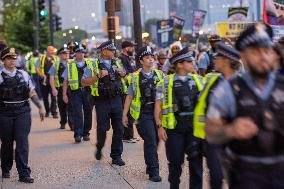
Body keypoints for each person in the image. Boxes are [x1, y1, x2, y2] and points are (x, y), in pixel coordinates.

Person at [205, 24, 284, 189]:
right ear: (243, 56)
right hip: (246, 176)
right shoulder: (228, 90)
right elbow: (210, 132)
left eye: (267, 50)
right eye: (255, 51)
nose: (263, 56)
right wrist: (230, 130)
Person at [193, 43, 241, 189]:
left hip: (233, 139)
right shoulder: (211, 80)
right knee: (216, 175)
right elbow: (201, 105)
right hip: (212, 138)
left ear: (226, 61)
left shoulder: (241, 84)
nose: (214, 60)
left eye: (218, 57)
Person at [155, 47, 204, 189]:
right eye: (190, 61)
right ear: (180, 64)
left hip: (194, 129)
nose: (193, 64)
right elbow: (158, 106)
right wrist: (159, 126)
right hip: (175, 129)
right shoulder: (165, 83)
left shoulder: (199, 80)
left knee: (196, 163)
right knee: (175, 163)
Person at [0, 48, 44, 183]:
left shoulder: (24, 74)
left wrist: (40, 106)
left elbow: (31, 92)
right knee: (6, 143)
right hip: (4, 112)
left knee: (22, 142)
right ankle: (6, 168)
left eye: (14, 58)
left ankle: (23, 173)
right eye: (9, 58)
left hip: (22, 112)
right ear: (3, 60)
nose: (12, 61)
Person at [81, 40, 126, 166]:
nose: (114, 51)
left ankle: (116, 156)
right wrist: (98, 76)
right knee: (102, 129)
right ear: (104, 51)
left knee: (119, 128)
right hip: (102, 101)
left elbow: (125, 75)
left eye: (114, 50)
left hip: (117, 99)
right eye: (111, 50)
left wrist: (122, 73)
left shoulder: (117, 62)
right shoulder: (93, 64)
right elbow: (83, 82)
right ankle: (99, 147)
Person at [123, 46, 163, 182]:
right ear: (141, 61)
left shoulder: (160, 75)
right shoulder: (134, 78)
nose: (150, 59)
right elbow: (129, 96)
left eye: (152, 57)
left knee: (155, 141)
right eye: (147, 57)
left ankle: (150, 163)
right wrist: (124, 114)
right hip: (143, 114)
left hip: (158, 114)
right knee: (151, 140)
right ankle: (153, 171)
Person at [62, 45, 93, 143]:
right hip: (76, 92)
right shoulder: (70, 65)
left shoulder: (90, 63)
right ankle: (78, 134)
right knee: (78, 113)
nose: (81, 54)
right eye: (79, 52)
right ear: (75, 53)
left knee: (88, 112)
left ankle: (86, 133)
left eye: (82, 52)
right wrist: (64, 94)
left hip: (88, 91)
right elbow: (65, 81)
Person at [49, 47, 73, 130]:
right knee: (62, 107)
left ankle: (72, 124)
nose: (66, 55)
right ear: (60, 55)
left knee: (71, 106)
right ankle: (63, 122)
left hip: (71, 88)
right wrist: (53, 89)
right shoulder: (55, 64)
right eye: (64, 53)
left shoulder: (72, 63)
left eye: (67, 53)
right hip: (60, 88)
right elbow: (51, 77)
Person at [119, 41, 137, 143]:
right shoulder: (122, 59)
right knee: (127, 112)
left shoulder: (128, 58)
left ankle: (130, 135)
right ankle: (127, 136)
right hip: (125, 89)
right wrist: (136, 73)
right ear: (126, 48)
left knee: (130, 113)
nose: (133, 49)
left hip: (130, 87)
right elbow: (124, 74)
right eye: (131, 47)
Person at [36, 46, 58, 118]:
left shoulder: (56, 58)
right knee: (45, 97)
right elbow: (37, 68)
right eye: (50, 50)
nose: (52, 51)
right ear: (47, 51)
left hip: (53, 81)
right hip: (43, 81)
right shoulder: (41, 58)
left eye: (53, 50)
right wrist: (41, 74)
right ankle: (47, 111)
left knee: (53, 97)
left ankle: (54, 112)